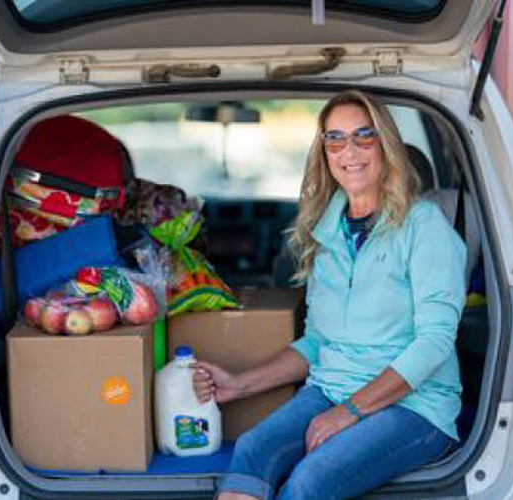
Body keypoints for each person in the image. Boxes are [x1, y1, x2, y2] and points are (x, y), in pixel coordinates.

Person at [192, 90, 468, 500]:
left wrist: (350, 411)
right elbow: (319, 342)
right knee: (251, 449)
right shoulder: (326, 230)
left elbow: (434, 343)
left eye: (363, 136)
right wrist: (240, 386)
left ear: (386, 144)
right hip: (329, 389)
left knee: (310, 480)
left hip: (416, 407)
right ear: (324, 152)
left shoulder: (424, 227)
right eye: (335, 139)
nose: (349, 152)